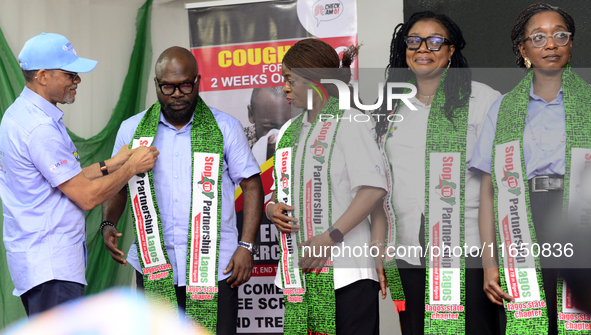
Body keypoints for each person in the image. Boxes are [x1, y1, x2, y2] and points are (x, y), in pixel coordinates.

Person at [101, 46, 263, 335]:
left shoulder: (225, 127)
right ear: (156, 85)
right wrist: (109, 223)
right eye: (168, 86)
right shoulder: (132, 130)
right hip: (154, 265)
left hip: (216, 267)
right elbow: (117, 185)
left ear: (198, 82)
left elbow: (251, 185)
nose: (177, 94)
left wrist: (246, 246)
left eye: (185, 85)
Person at [0, 32, 159, 316]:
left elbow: (61, 178)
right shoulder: (39, 129)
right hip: (52, 268)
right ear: (44, 76)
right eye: (70, 73)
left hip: (41, 264)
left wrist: (111, 164)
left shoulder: (22, 115)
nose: (77, 80)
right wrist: (131, 167)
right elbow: (86, 197)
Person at [370, 11, 502, 334]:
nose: (422, 49)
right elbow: (376, 185)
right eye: (413, 41)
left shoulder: (482, 100)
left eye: (435, 41)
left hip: (466, 249)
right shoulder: (388, 109)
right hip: (405, 253)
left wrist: (490, 260)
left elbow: (499, 179)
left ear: (451, 50)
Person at [470, 3, 591, 334]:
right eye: (538, 37)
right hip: (520, 217)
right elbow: (488, 192)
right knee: (530, 319)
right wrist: (488, 262)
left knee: (580, 315)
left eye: (559, 35)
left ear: (571, 43)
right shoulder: (503, 108)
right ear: (523, 49)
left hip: (579, 220)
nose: (550, 44)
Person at [266, 38, 387, 335]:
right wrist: (271, 210)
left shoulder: (350, 121)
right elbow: (276, 191)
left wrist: (331, 236)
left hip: (347, 274)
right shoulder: (286, 132)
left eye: (290, 79)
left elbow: (373, 189)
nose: (284, 87)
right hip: (300, 273)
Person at [244, 86, 292, 165]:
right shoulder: (237, 144)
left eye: (289, 127)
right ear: (251, 115)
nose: (279, 135)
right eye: (269, 128)